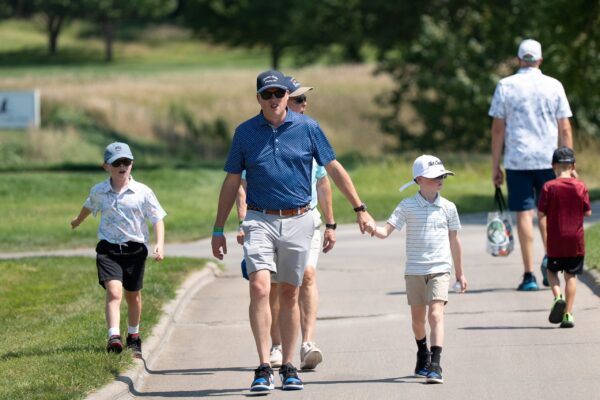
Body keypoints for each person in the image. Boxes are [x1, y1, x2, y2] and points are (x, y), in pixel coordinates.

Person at [211, 69, 374, 392]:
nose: (273, 100)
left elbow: (332, 170)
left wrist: (359, 208)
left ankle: (288, 366)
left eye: (279, 94)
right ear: (258, 98)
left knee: (289, 292)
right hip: (259, 218)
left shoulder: (308, 128)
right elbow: (232, 181)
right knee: (259, 287)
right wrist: (218, 228)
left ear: (288, 96)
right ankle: (262, 367)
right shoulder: (245, 133)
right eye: (266, 95)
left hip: (299, 218)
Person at [235, 75, 334, 371]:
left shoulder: (309, 131)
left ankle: (307, 343)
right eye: (299, 99)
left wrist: (331, 223)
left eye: (303, 99)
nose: (304, 104)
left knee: (307, 277)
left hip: (306, 217)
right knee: (271, 287)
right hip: (267, 216)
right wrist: (243, 221)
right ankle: (276, 346)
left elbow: (325, 181)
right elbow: (240, 183)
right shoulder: (258, 134)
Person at [367, 155, 467, 384]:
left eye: (442, 175)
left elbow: (455, 242)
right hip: (414, 270)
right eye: (435, 177)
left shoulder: (449, 207)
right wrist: (371, 227)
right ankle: (423, 352)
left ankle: (436, 364)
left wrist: (460, 273)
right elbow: (385, 232)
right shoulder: (407, 206)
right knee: (417, 321)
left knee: (435, 314)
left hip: (440, 269)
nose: (440, 180)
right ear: (419, 179)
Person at [490, 38, 574, 291]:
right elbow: (565, 127)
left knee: (524, 213)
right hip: (550, 161)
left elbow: (497, 129)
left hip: (517, 160)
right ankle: (551, 260)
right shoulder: (554, 85)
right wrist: (569, 163)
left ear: (518, 60)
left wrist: (496, 165)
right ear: (540, 60)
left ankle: (528, 275)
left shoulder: (505, 86)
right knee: (547, 212)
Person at [71, 142, 166, 358]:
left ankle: (133, 335)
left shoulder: (143, 192)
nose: (122, 166)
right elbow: (89, 206)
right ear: (106, 166)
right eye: (117, 163)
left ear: (132, 164)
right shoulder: (99, 191)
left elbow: (157, 218)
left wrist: (159, 243)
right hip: (109, 249)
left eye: (127, 162)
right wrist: (78, 220)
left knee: (133, 296)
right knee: (114, 292)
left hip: (135, 250)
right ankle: (114, 336)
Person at [538, 147, 591, 328]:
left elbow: (541, 214)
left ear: (553, 166)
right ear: (573, 166)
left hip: (556, 240)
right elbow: (588, 212)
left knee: (551, 270)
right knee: (571, 276)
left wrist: (545, 237)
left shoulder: (548, 187)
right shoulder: (580, 186)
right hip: (575, 242)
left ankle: (557, 295)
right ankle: (568, 314)